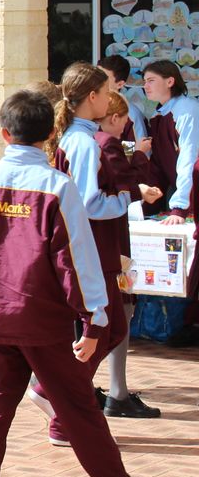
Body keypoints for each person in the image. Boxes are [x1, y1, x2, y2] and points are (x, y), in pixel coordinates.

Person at [0, 89, 161, 477]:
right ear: (51, 134)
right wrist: (95, 319)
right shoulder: (56, 186)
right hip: (40, 319)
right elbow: (77, 260)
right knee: (80, 413)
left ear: (4, 133)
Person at [26, 63, 138, 442]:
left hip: (89, 249)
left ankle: (59, 404)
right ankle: (51, 394)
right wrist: (125, 199)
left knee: (106, 330)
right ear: (92, 97)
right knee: (105, 329)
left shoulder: (75, 136)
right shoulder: (85, 142)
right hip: (91, 250)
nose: (109, 100)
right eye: (105, 93)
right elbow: (89, 203)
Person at [95, 90, 161, 418]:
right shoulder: (104, 143)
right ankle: (114, 391)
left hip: (96, 240)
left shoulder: (76, 140)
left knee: (105, 312)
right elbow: (126, 182)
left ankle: (108, 389)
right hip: (108, 239)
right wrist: (139, 185)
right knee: (118, 311)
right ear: (114, 118)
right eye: (124, 122)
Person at [141, 60, 199, 223]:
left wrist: (180, 207)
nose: (145, 86)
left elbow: (189, 157)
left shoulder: (187, 110)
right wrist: (146, 205)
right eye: (145, 81)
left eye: (151, 80)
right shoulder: (158, 115)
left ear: (170, 81)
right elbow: (157, 165)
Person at [98, 55, 149, 141]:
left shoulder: (130, 114)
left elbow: (137, 147)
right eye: (95, 76)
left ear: (120, 84)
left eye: (104, 79)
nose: (96, 81)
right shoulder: (87, 108)